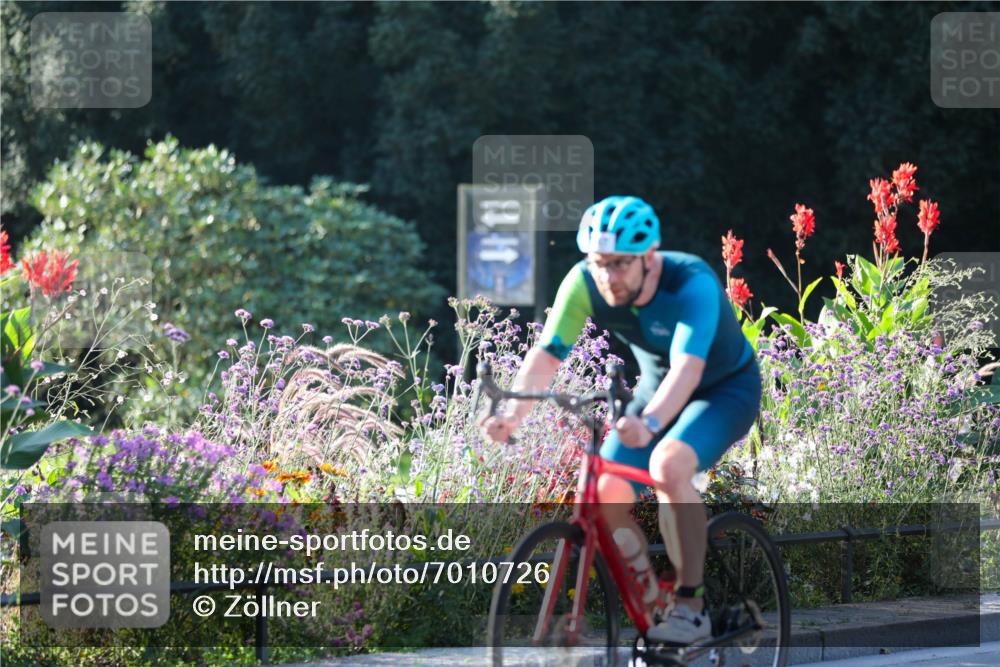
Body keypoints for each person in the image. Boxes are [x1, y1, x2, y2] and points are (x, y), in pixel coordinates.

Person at [480, 195, 762, 644]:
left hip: (724, 390)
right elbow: (548, 354)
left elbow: (688, 369)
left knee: (668, 465)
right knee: (604, 491)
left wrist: (648, 423)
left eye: (619, 264)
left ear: (648, 256)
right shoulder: (583, 282)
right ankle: (650, 597)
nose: (608, 277)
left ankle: (691, 607)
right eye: (599, 264)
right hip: (656, 389)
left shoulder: (690, 282)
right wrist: (512, 416)